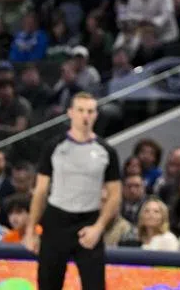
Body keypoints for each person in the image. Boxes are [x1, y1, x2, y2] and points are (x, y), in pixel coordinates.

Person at [25, 92, 122, 290]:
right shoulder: (53, 147)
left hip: (89, 221)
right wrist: (31, 230)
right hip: (56, 221)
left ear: (96, 115)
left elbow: (115, 194)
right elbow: (40, 191)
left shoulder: (106, 151)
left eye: (90, 111)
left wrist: (99, 227)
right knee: (48, 285)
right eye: (80, 110)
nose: (85, 116)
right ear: (70, 113)